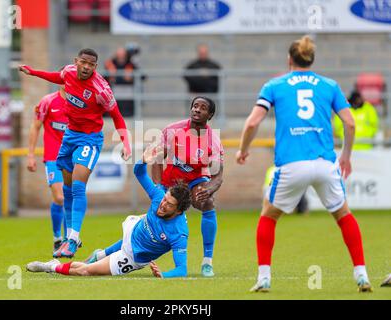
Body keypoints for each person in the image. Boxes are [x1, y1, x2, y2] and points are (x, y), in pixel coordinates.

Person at [236, 35, 372, 292]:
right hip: (324, 163)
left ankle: (264, 277)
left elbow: (253, 122)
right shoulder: (329, 85)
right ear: (311, 60)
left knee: (269, 215)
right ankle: (362, 274)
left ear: (289, 59)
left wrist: (243, 150)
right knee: (344, 215)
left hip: (291, 165)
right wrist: (346, 156)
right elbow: (350, 123)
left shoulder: (274, 85)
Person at [19, 48, 132, 259]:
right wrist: (33, 72)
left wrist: (126, 143)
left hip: (89, 139)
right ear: (76, 62)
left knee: (79, 186)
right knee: (68, 191)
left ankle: (73, 239)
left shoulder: (102, 90)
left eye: (91, 64)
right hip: (70, 136)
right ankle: (68, 238)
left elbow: (117, 116)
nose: (87, 67)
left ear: (95, 67)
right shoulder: (69, 72)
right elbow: (56, 76)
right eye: (83, 63)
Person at [26, 145, 192, 278]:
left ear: (178, 211)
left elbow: (181, 269)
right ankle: (97, 256)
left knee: (86, 271)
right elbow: (139, 172)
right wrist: (142, 160)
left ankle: (52, 266)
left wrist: (164, 275)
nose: (163, 205)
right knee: (92, 265)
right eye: (165, 200)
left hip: (133, 256)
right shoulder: (159, 197)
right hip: (134, 228)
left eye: (169, 205)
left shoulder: (179, 233)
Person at [151, 96, 224, 277]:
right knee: (154, 221)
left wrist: (209, 189)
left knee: (207, 202)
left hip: (195, 180)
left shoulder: (213, 141)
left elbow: (218, 176)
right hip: (170, 182)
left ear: (210, 114)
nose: (197, 110)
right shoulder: (173, 130)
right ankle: (116, 253)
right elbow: (157, 158)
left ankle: (207, 262)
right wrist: (158, 187)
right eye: (195, 106)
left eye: (203, 108)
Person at [26, 86, 69, 252]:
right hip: (53, 157)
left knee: (69, 198)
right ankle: (58, 237)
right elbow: (35, 126)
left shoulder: (79, 103)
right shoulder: (48, 102)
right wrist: (30, 155)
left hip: (72, 158)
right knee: (60, 197)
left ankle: (68, 240)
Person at [104, 47, 137, 117]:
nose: (121, 56)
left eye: (122, 54)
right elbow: (104, 77)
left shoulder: (131, 64)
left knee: (128, 111)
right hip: (113, 89)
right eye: (119, 54)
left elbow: (142, 76)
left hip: (128, 90)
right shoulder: (110, 63)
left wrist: (131, 77)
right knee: (114, 108)